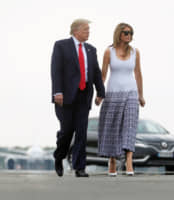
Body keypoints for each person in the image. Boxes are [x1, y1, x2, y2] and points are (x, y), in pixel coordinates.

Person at [51, 19, 105, 177]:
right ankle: (59, 156)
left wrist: (100, 92)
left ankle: (79, 167)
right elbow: (56, 70)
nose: (88, 32)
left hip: (84, 95)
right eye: (85, 29)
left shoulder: (91, 49)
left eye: (89, 29)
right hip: (65, 96)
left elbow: (95, 72)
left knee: (81, 132)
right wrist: (57, 92)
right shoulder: (61, 46)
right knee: (67, 131)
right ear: (75, 31)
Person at [97, 23, 145, 176]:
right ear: (119, 34)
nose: (129, 35)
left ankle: (129, 161)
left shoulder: (135, 52)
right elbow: (103, 75)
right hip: (113, 94)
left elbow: (138, 73)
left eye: (131, 33)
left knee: (130, 126)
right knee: (113, 128)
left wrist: (140, 95)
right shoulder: (108, 52)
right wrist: (99, 94)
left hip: (131, 93)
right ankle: (112, 160)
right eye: (126, 32)